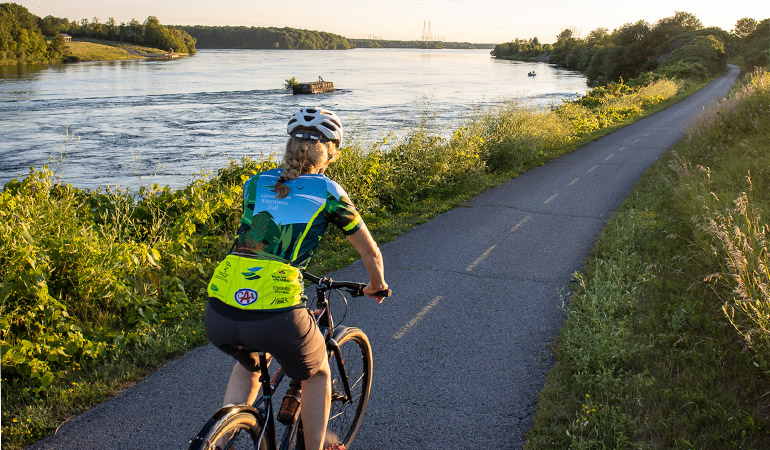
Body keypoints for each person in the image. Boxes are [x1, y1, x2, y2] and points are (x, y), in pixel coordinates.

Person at [204, 107, 388, 450]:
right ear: (329, 155)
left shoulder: (255, 183)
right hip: (276, 311)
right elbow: (371, 253)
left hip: (220, 309)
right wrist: (377, 285)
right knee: (317, 371)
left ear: (288, 146)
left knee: (251, 364)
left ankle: (220, 440)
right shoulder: (329, 191)